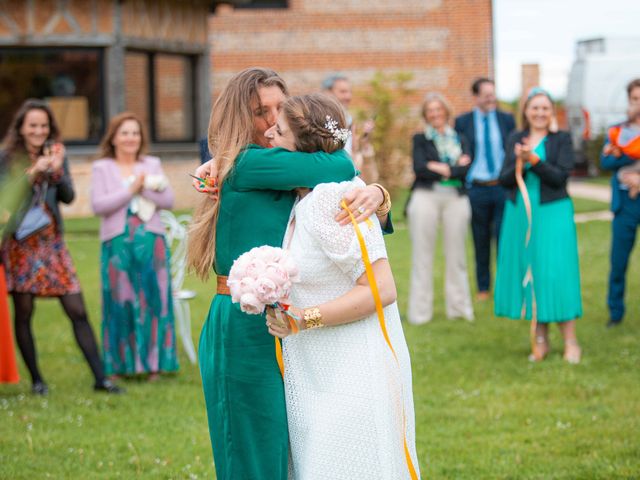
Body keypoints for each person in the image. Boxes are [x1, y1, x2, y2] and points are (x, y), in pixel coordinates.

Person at [188, 68, 391, 480]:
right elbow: (340, 162)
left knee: (296, 454)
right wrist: (365, 181)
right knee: (255, 458)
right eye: (262, 112)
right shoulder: (246, 164)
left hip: (287, 324)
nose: (272, 122)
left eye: (281, 109)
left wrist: (378, 196)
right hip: (243, 326)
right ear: (240, 117)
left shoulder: (288, 168)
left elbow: (338, 198)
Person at [264, 93, 418, 479]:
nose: (268, 133)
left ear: (304, 148)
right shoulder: (301, 199)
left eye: (279, 131)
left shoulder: (329, 200)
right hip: (317, 370)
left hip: (354, 371)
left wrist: (305, 317)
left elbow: (382, 289)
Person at [0, 99, 121, 394]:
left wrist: (55, 170)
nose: (39, 131)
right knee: (25, 311)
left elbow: (67, 196)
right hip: (20, 244)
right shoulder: (8, 156)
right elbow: (7, 198)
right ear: (21, 128)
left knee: (76, 307)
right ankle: (38, 381)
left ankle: (100, 378)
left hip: (52, 243)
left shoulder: (56, 153)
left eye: (44, 125)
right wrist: (33, 172)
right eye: (33, 126)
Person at [494, 87, 582, 363]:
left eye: (545, 108)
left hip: (553, 214)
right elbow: (504, 178)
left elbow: (560, 178)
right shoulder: (515, 138)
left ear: (551, 112)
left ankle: (570, 341)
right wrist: (519, 162)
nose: (540, 113)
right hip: (521, 213)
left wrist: (534, 161)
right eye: (535, 108)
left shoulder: (561, 139)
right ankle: (540, 340)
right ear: (526, 112)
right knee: (534, 273)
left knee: (557, 273)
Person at [91, 112, 178, 380]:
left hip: (151, 242)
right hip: (117, 243)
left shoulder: (151, 163)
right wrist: (131, 190)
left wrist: (143, 188)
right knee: (119, 301)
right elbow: (99, 206)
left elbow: (169, 200)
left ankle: (154, 364)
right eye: (125, 133)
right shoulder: (102, 168)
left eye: (135, 133)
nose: (131, 138)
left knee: (153, 301)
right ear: (114, 137)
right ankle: (119, 364)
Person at [406, 93, 474, 324]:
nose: (435, 114)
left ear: (446, 111)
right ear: (426, 115)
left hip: (456, 198)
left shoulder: (462, 138)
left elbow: (466, 170)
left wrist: (440, 167)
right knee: (422, 256)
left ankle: (459, 309)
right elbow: (420, 168)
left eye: (438, 109)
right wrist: (451, 167)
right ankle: (419, 314)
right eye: (430, 111)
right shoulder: (420, 139)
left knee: (457, 256)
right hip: (425, 196)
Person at [455, 78, 516, 300]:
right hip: (476, 189)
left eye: (493, 93)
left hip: (501, 187)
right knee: (480, 240)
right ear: (476, 96)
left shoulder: (506, 119)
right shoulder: (463, 122)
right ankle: (483, 288)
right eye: (486, 94)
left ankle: (505, 285)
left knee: (504, 238)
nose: (491, 98)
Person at [601, 78, 640, 327]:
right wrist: (626, 153)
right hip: (625, 204)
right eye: (635, 99)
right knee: (619, 260)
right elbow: (605, 162)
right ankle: (615, 313)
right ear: (629, 101)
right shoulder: (617, 131)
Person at [322, 73, 379, 183]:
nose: (348, 97)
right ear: (327, 93)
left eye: (350, 92)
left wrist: (364, 145)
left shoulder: (351, 124)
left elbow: (369, 178)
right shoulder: (318, 126)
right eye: (343, 92)